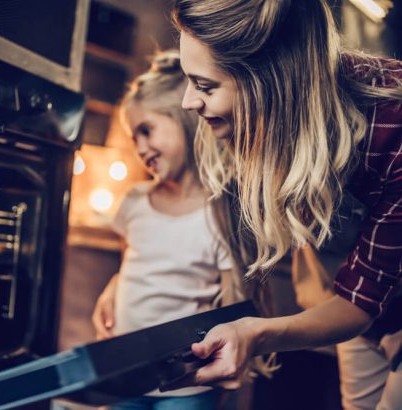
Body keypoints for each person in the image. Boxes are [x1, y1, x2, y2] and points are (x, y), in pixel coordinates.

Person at [167, 0, 402, 408]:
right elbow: (361, 295)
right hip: (371, 299)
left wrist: (257, 334)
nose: (189, 102)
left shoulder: (393, 128)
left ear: (272, 84)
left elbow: (359, 303)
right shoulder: (289, 113)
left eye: (205, 86)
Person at [91, 49, 237, 410]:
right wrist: (113, 287)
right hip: (126, 374)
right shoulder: (135, 202)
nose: (140, 148)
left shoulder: (219, 214)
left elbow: (233, 301)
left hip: (187, 384)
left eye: (146, 130)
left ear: (184, 120)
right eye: (133, 137)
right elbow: (131, 264)